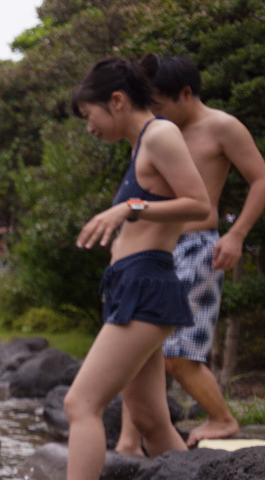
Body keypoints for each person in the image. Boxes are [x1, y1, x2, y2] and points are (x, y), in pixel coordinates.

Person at [61, 58, 211, 480]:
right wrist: (133, 208)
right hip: (134, 286)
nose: (90, 128)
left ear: (118, 101)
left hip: (147, 285)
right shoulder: (143, 143)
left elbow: (202, 208)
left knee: (80, 403)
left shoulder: (161, 135)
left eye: (90, 116)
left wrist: (131, 208)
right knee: (149, 420)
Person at [114, 53, 265, 454]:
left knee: (176, 353)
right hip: (153, 248)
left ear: (185, 93)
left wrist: (237, 235)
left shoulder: (221, 126)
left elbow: (261, 177)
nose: (154, 110)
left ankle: (222, 418)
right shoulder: (154, 132)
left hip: (198, 247)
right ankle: (130, 441)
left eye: (159, 102)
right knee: (137, 348)